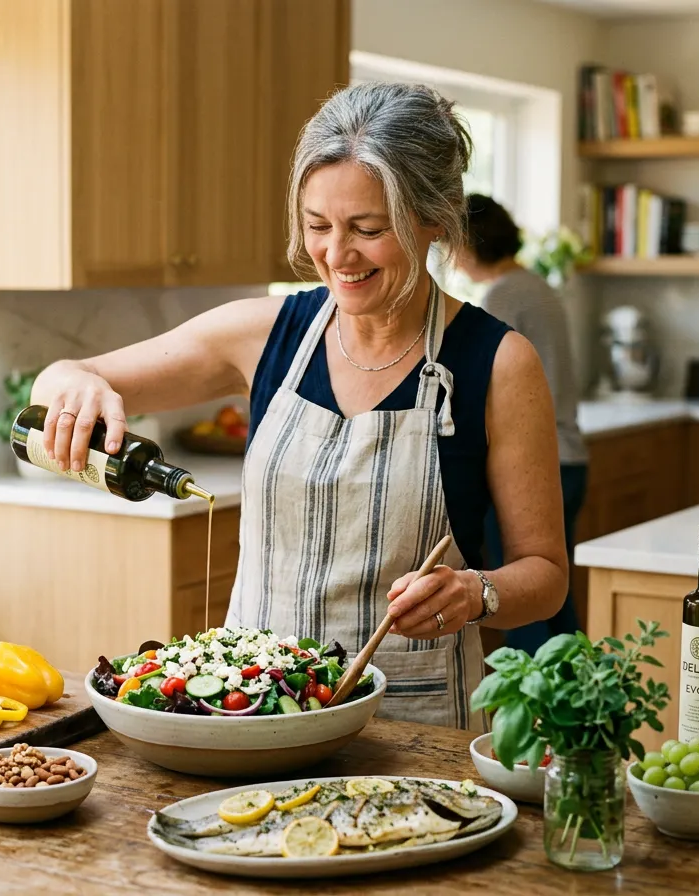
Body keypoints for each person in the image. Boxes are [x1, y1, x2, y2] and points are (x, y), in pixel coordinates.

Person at [31, 83, 568, 730]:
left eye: (368, 230)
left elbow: (546, 574)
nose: (336, 256)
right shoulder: (262, 336)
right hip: (250, 715)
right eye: (318, 226)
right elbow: (65, 377)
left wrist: (478, 593)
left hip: (411, 729)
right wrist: (73, 383)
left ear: (434, 218)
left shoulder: (499, 363)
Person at [457, 194, 589, 656]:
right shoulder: (537, 285)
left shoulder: (502, 295)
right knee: (555, 594)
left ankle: (535, 716)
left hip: (533, 463)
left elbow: (485, 382)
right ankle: (576, 709)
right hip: (570, 456)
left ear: (470, 245)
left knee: (524, 602)